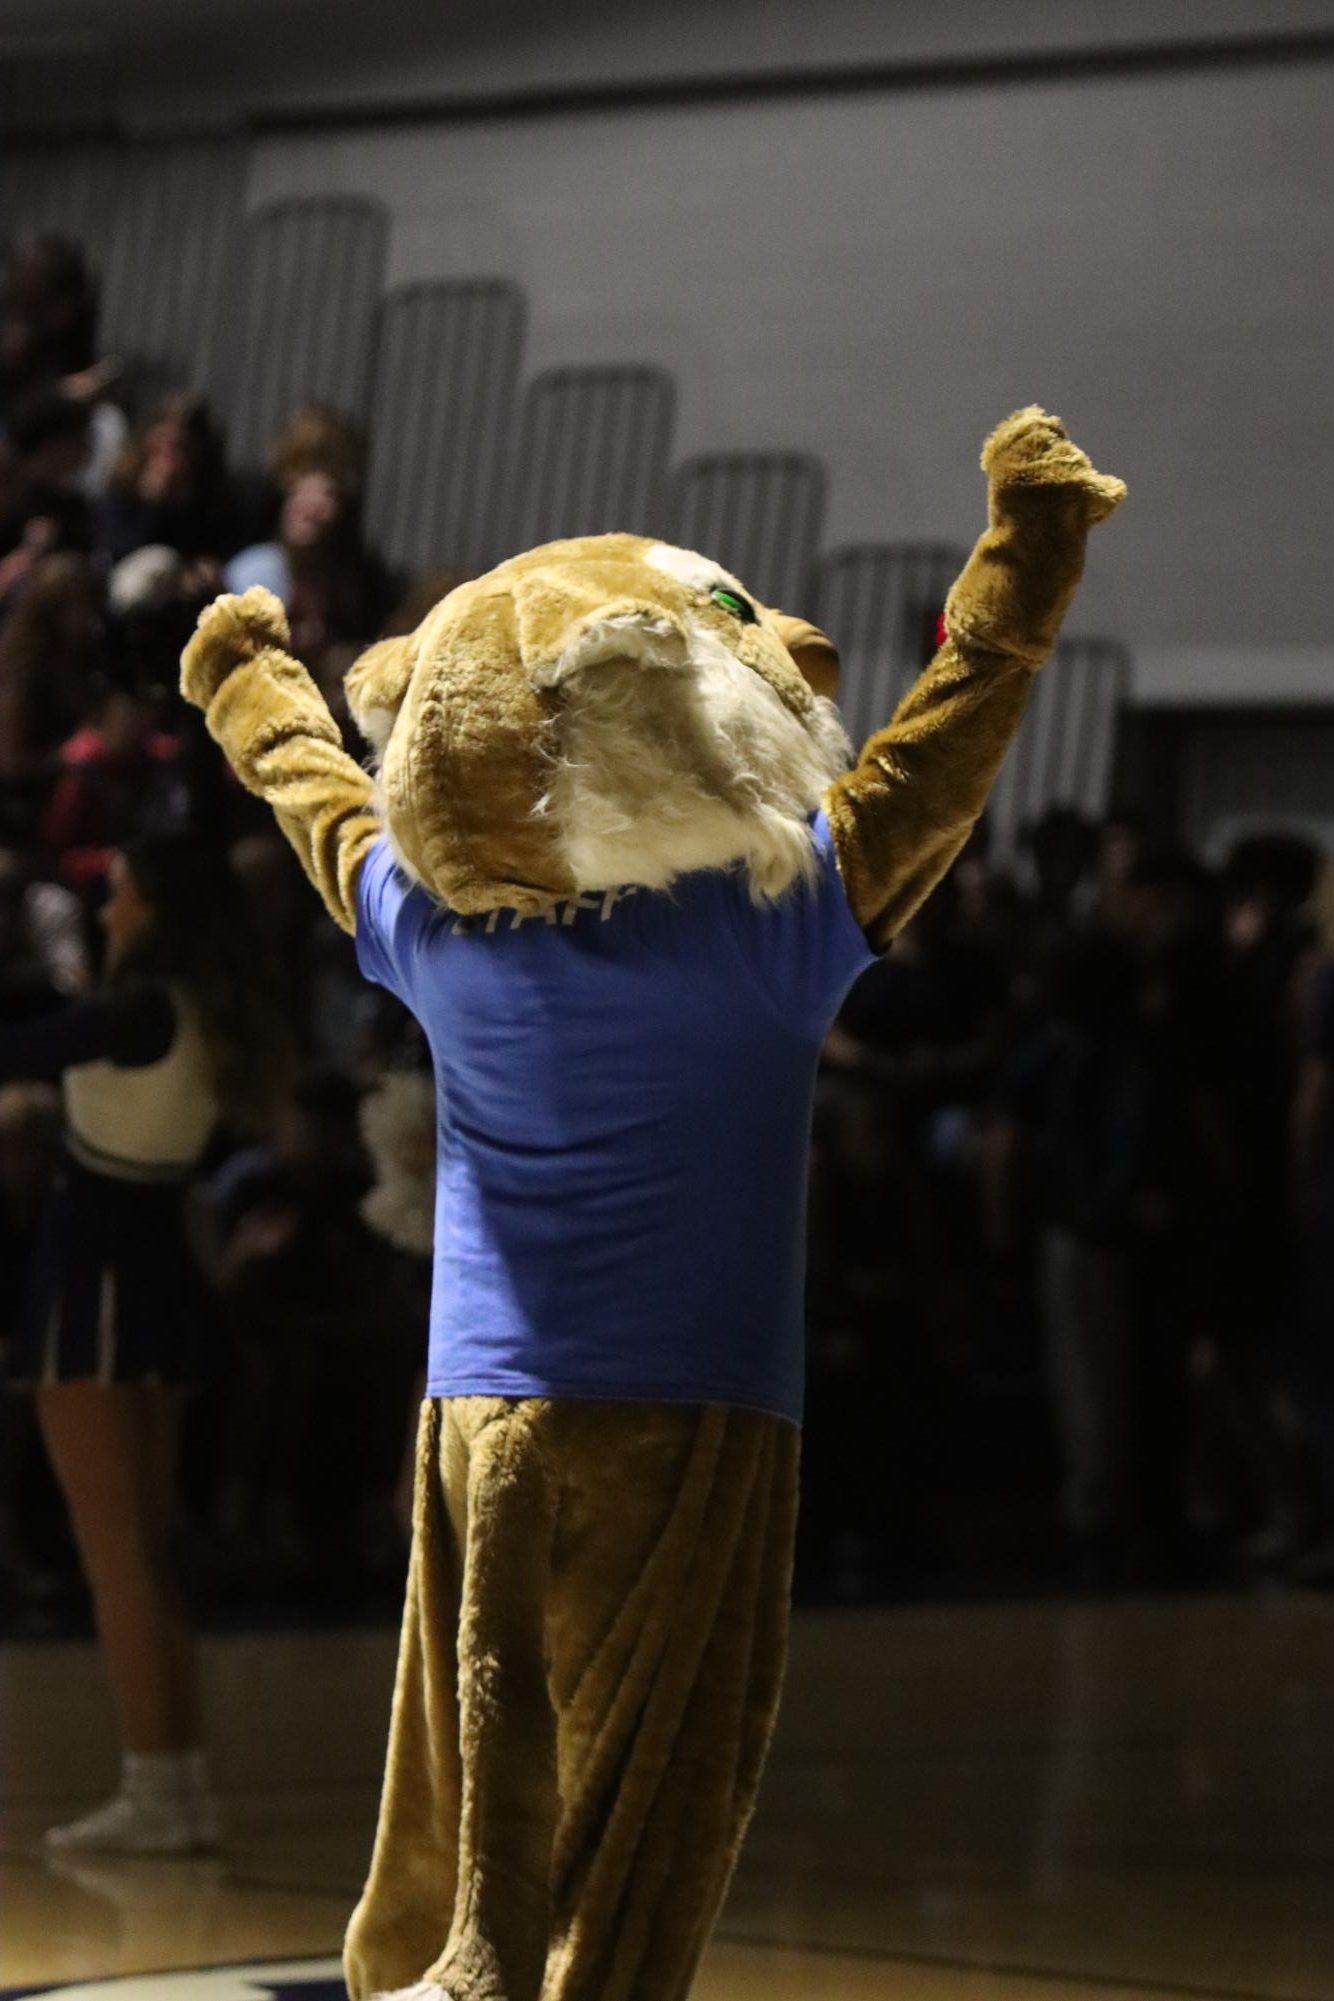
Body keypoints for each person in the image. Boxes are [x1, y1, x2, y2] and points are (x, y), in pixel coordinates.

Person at [0, 836, 289, 1852]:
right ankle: (176, 1782)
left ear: (153, 905)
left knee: (114, 1557)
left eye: (117, 887)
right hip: (155, 1266)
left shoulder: (136, 1008)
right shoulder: (190, 1006)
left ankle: (156, 1785)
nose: (105, 900)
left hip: (101, 1279)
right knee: (142, 1551)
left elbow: (21, 1050)